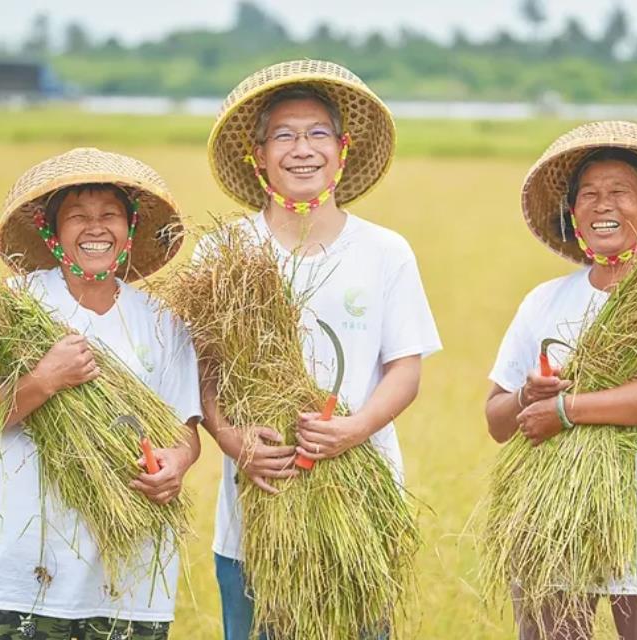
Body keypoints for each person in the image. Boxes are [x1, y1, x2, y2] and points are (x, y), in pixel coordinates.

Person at [202, 59, 442, 639]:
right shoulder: (225, 250)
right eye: (283, 135)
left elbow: (404, 370)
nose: (301, 149)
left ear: (343, 147)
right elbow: (203, 374)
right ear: (258, 155)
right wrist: (236, 443)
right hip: (257, 510)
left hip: (360, 508)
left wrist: (355, 429)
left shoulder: (384, 252)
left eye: (316, 134)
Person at [486, 121, 637, 639]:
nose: (602, 205)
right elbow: (497, 418)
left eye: (620, 192)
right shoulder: (543, 302)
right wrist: (528, 397)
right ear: (572, 214)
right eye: (588, 194)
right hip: (552, 535)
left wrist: (566, 411)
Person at [0, 147, 202, 640]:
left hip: (132, 576)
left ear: (130, 230)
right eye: (78, 217)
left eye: (110, 215)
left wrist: (176, 466)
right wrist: (44, 379)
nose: (96, 228)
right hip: (26, 570)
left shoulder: (161, 322)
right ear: (52, 232)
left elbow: (186, 433)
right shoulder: (13, 305)